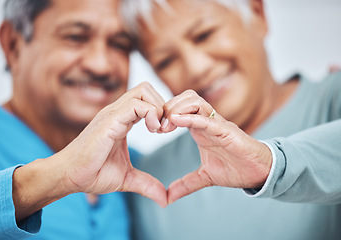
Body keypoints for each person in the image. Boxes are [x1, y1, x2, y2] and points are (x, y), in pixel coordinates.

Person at [120, 0, 341, 239]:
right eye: (166, 61)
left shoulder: (333, 100)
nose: (196, 68)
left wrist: (271, 164)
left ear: (258, 14)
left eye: (204, 35)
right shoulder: (151, 180)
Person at [0, 0, 167, 239]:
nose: (101, 65)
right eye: (75, 37)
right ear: (13, 45)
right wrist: (59, 176)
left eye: (120, 44)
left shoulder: (138, 168)